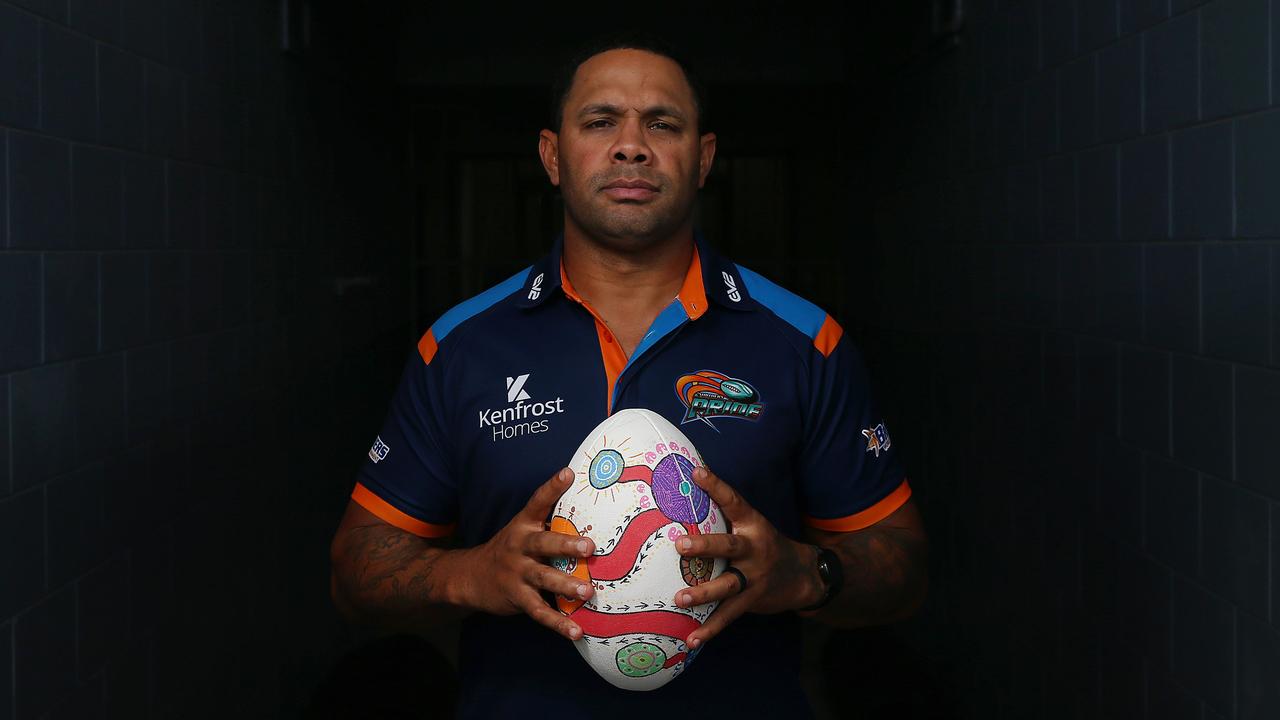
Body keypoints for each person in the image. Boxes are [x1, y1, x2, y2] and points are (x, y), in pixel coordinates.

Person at [329, 35, 928, 718]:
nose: (632, 146)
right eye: (601, 121)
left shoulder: (805, 341)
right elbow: (354, 571)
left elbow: (902, 566)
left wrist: (808, 574)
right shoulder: (461, 346)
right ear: (552, 157)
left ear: (702, 159)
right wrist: (467, 573)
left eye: (663, 123)